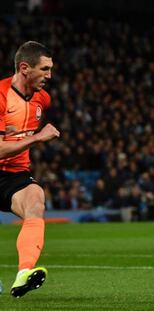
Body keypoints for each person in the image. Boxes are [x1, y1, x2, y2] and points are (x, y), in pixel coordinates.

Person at [0, 41, 60, 298]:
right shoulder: (1, 96)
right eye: (45, 69)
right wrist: (36, 138)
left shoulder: (42, 100)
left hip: (14, 174)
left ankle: (24, 272)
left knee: (36, 200)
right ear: (25, 68)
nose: (49, 75)